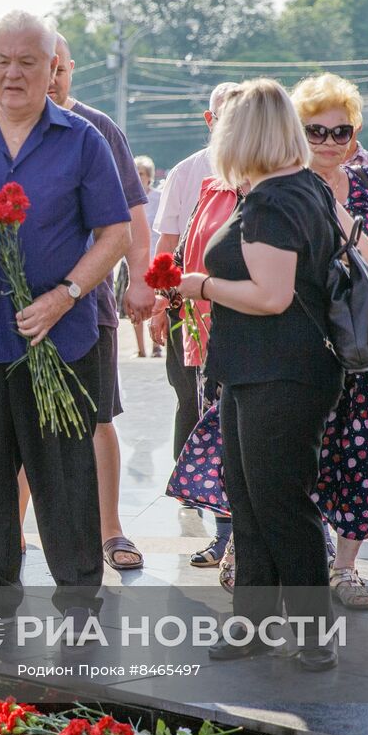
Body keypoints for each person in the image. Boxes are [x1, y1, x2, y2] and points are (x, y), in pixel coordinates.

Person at [173, 78, 368, 671]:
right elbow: (358, 241)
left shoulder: (272, 200)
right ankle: (253, 623)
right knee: (250, 500)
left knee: (279, 503)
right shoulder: (302, 186)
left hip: (281, 373)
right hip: (261, 371)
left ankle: (311, 634)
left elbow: (271, 295)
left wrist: (198, 285)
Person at [0, 10, 131, 627]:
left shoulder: (82, 139)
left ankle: (78, 603)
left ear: (52, 69)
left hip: (61, 341)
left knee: (64, 476)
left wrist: (67, 293)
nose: (13, 74)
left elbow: (115, 233)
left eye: (28, 62)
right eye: (3, 61)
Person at [292, 73, 368, 611]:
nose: (327, 143)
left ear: (355, 133)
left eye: (340, 132)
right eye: (314, 131)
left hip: (365, 344)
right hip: (302, 341)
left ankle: (346, 567)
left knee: (365, 455)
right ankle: (263, 552)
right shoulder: (282, 187)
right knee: (295, 453)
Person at [32, 31, 150, 572]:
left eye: (59, 67)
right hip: (18, 311)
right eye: (41, 66)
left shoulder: (99, 129)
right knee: (20, 425)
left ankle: (111, 531)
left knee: (98, 420)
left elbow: (133, 217)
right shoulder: (3, 128)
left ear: (70, 69)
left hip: (88, 306)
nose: (50, 78)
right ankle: (9, 540)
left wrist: (140, 280)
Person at [151, 82, 238, 462]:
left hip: (238, 302)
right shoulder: (189, 173)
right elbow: (167, 245)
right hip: (185, 304)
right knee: (189, 390)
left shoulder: (264, 168)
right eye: (226, 117)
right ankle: (190, 474)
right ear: (210, 119)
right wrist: (159, 300)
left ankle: (222, 479)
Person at [117, 155, 159, 357]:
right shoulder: (123, 198)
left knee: (155, 302)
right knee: (134, 304)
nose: (138, 177)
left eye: (141, 173)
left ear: (149, 177)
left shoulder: (158, 197)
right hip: (131, 258)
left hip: (155, 258)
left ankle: (157, 345)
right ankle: (141, 348)